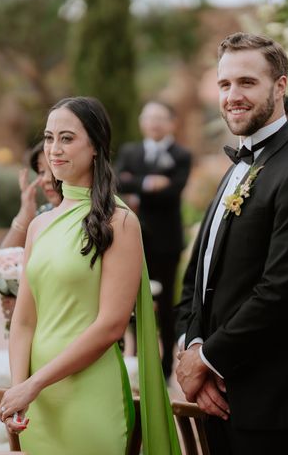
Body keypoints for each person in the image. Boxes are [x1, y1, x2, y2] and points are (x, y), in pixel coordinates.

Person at [174, 32, 288, 454]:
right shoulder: (234, 167)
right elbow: (198, 278)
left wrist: (207, 359)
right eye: (225, 84)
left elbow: (283, 290)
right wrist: (192, 344)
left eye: (247, 82)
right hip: (220, 397)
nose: (233, 95)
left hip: (278, 403)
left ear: (280, 86)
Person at [0, 97, 180, 455]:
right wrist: (20, 388)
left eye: (67, 138)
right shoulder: (38, 226)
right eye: (49, 138)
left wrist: (34, 383)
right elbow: (23, 321)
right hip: (37, 404)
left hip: (89, 395)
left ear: (95, 146)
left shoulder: (120, 222)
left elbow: (111, 325)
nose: (54, 149)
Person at [114, 100, 191, 380]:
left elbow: (173, 193)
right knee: (130, 298)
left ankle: (167, 367)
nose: (154, 123)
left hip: (167, 242)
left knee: (167, 303)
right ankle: (134, 361)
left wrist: (136, 183)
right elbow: (117, 182)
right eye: (149, 118)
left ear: (171, 123)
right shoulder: (130, 151)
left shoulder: (181, 154)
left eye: (160, 118)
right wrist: (151, 183)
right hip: (132, 239)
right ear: (141, 122)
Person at [0, 142, 63, 322]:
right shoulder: (41, 215)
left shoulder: (94, 217)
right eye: (42, 172)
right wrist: (25, 212)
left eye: (52, 169)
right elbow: (3, 261)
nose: (45, 179)